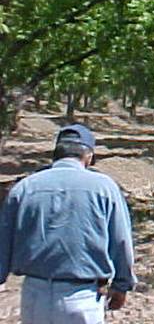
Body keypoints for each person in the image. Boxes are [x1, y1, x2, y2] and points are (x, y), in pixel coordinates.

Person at [0, 123, 137, 324]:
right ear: (89, 156)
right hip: (81, 297)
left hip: (34, 296)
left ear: (56, 153)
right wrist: (122, 285)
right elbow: (121, 241)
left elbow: (3, 241)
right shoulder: (105, 188)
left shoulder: (24, 188)